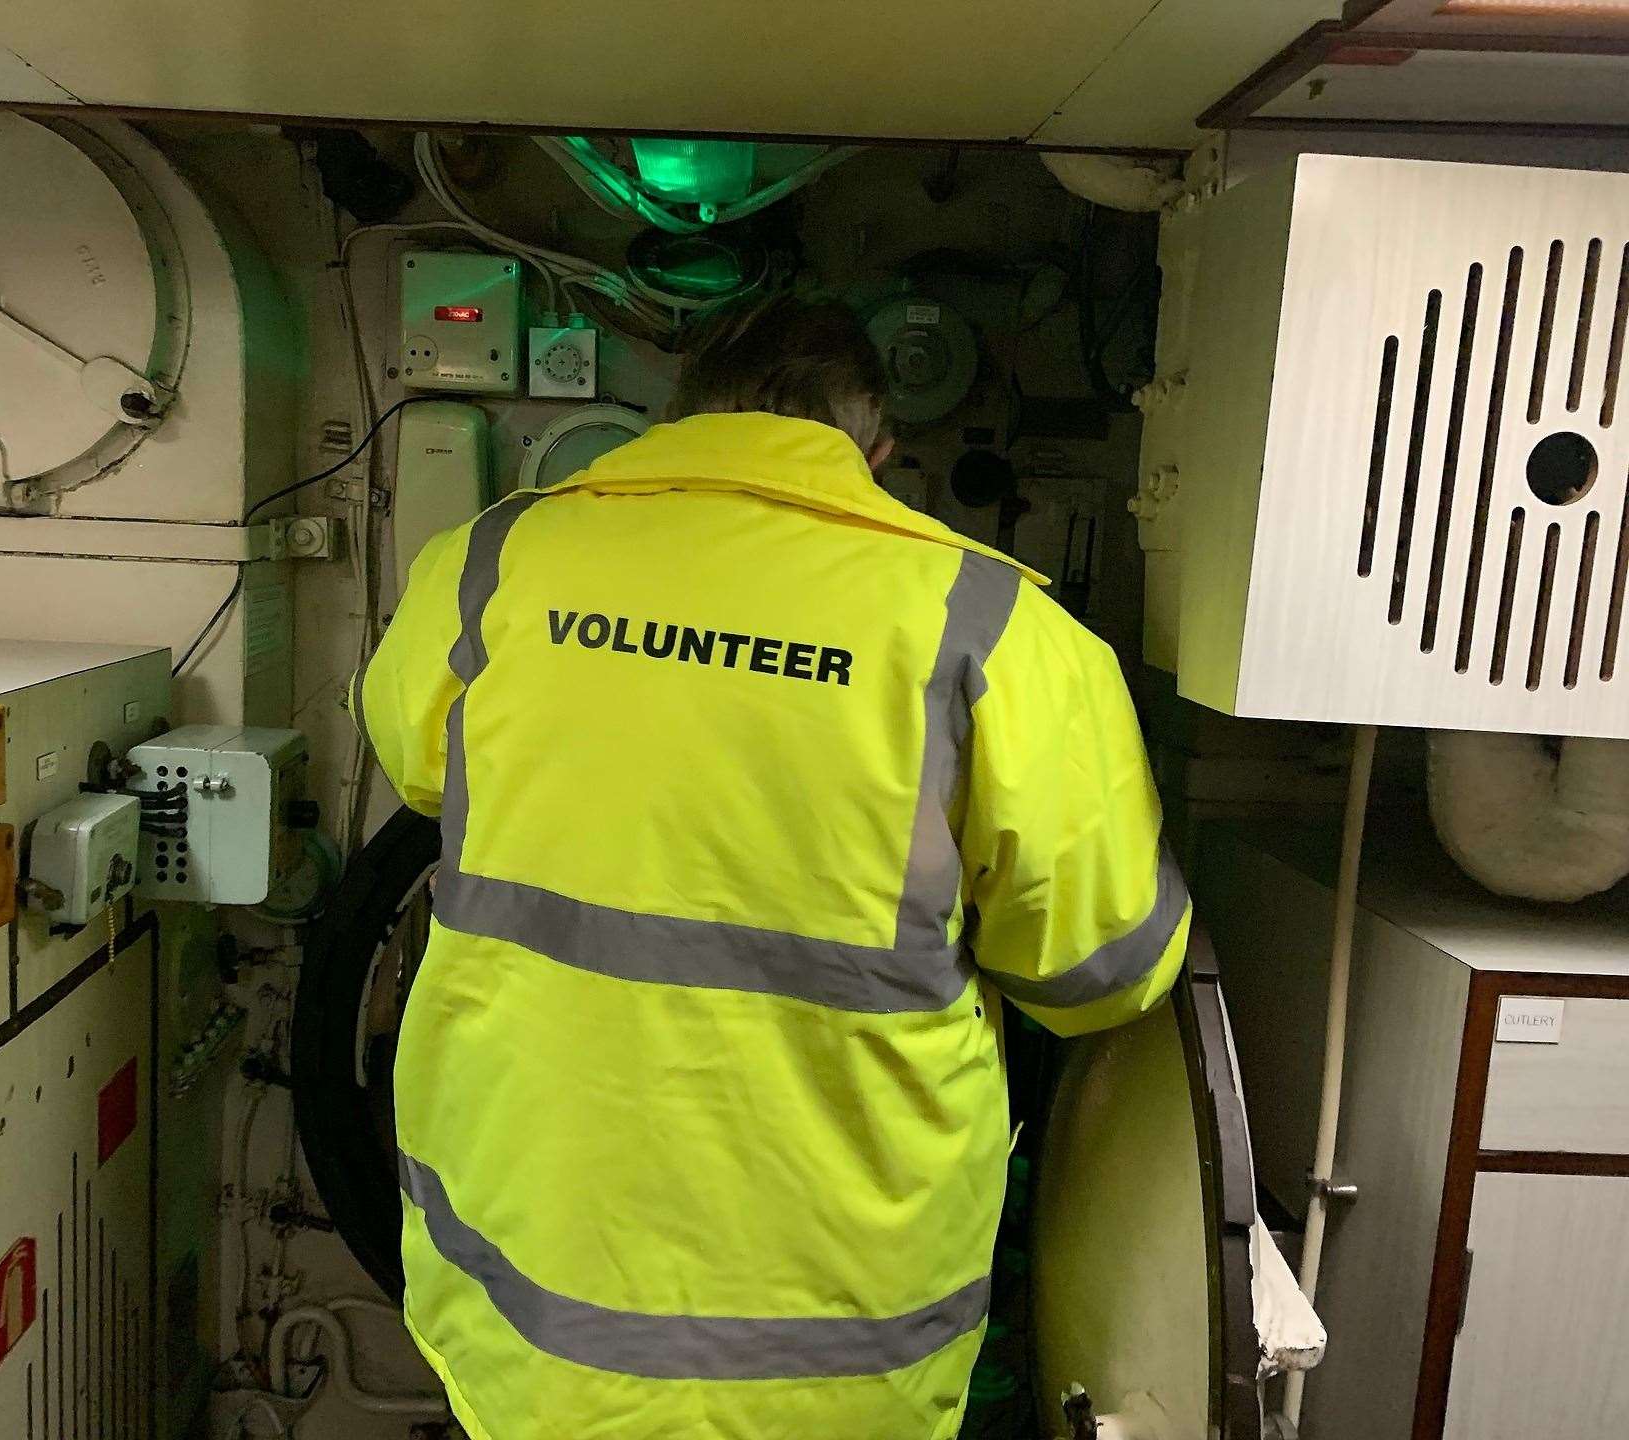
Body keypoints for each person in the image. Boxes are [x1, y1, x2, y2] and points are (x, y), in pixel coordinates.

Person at [354, 294, 1189, 1440]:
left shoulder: (494, 559)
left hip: (532, 1309)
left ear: (678, 412)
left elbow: (420, 774)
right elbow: (1103, 969)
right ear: (879, 451)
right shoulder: (994, 625)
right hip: (843, 1346)